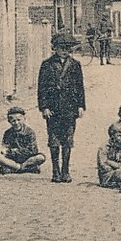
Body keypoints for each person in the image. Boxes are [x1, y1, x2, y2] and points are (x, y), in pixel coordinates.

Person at [37, 31, 87, 183]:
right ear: (55, 48)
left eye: (67, 48)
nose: (64, 50)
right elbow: (42, 88)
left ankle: (65, 171)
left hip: (70, 108)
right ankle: (55, 171)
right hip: (53, 108)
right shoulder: (47, 64)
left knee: (68, 140)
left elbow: (80, 87)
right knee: (53, 140)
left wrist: (81, 106)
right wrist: (44, 107)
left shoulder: (75, 65)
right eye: (61, 47)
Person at [0, 106, 46, 174]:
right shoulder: (7, 133)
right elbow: (5, 149)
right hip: (13, 159)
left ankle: (16, 168)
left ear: (24, 119)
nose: (16, 123)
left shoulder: (30, 132)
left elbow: (32, 150)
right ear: (9, 121)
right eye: (13, 121)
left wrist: (15, 151)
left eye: (19, 120)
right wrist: (8, 151)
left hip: (27, 159)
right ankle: (23, 168)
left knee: (41, 157)